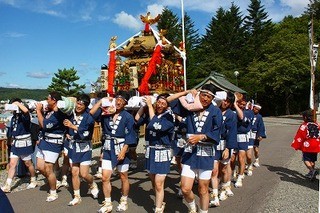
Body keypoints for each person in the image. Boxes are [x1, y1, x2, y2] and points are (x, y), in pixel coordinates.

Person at [171, 83, 223, 213]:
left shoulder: (215, 111)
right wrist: (186, 93)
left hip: (206, 153)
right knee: (185, 188)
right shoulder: (190, 107)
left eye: (209, 97)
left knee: (203, 189)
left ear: (212, 99)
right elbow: (169, 101)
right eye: (203, 95)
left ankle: (203, 211)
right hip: (189, 153)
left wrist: (202, 136)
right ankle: (193, 207)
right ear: (199, 94)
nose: (205, 99)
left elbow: (217, 130)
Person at [90, 91, 136, 213]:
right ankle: (108, 202)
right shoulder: (106, 112)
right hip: (108, 148)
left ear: (126, 103)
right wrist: (101, 102)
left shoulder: (128, 116)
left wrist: (124, 150)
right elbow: (92, 115)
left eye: (121, 100)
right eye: (117, 99)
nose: (118, 101)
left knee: (123, 176)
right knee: (105, 177)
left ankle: (124, 199)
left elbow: (131, 135)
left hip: (121, 147)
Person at [63, 94, 99, 206]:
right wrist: (67, 133)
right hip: (73, 146)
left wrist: (73, 127)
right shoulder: (71, 114)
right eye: (78, 103)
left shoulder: (89, 118)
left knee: (83, 174)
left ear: (86, 106)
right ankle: (77, 196)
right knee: (74, 172)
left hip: (85, 147)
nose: (79, 106)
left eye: (81, 104)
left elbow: (86, 133)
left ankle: (92, 183)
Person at [142, 94, 174, 213]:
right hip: (151, 150)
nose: (160, 105)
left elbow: (156, 126)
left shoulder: (169, 117)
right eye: (158, 102)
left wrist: (150, 106)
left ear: (167, 106)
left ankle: (158, 208)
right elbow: (136, 118)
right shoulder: (152, 112)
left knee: (159, 183)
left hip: (162, 151)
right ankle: (160, 200)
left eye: (163, 103)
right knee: (153, 180)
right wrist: (144, 105)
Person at [35, 92, 67, 202]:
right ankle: (54, 181)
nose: (46, 100)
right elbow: (41, 124)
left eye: (48, 98)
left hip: (54, 143)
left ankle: (53, 192)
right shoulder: (49, 112)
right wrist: (41, 112)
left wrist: (38, 111)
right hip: (44, 141)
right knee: (39, 167)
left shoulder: (58, 114)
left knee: (48, 168)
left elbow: (44, 125)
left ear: (54, 100)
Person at [1, 98, 37, 193]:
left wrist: (18, 104)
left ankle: (33, 178)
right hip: (15, 143)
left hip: (24, 142)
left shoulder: (25, 116)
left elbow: (26, 111)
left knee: (28, 163)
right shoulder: (13, 118)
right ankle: (8, 185)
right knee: (12, 164)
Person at [209, 91, 237, 206]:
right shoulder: (214, 111)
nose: (225, 103)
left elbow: (232, 132)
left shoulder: (231, 115)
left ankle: (225, 187)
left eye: (228, 101)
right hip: (214, 143)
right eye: (224, 100)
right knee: (214, 170)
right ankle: (215, 196)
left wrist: (228, 148)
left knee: (225, 168)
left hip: (224, 144)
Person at [291, 109, 320, 180]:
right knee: (312, 159)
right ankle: (311, 174)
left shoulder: (304, 125)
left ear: (305, 117)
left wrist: (296, 145)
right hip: (316, 144)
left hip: (308, 144)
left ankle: (312, 170)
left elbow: (300, 136)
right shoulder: (316, 124)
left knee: (306, 159)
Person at [230, 94, 251, 188]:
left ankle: (240, 176)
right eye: (240, 103)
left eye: (243, 104)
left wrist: (235, 105)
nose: (242, 106)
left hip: (242, 137)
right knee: (232, 158)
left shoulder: (249, 112)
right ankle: (232, 172)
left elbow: (242, 117)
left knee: (241, 158)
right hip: (233, 136)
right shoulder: (231, 111)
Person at [251, 103, 266, 168]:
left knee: (256, 149)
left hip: (255, 133)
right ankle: (247, 162)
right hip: (248, 133)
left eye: (258, 109)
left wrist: (261, 135)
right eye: (255, 108)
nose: (256, 110)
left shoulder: (259, 117)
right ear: (253, 107)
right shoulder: (249, 114)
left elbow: (261, 126)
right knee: (248, 149)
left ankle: (257, 160)